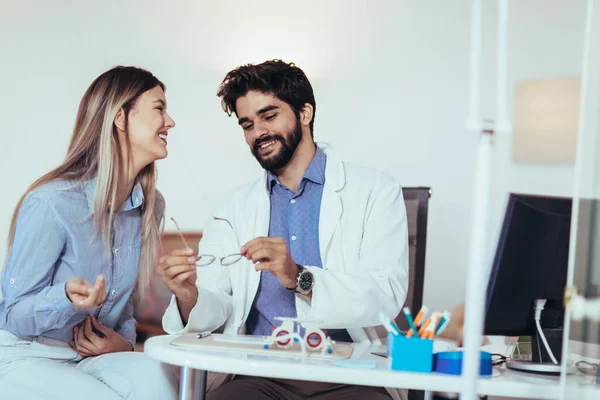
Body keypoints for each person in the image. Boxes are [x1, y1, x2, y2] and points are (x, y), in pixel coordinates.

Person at [159, 60, 409, 400]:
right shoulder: (233, 208)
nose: (258, 132)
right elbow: (218, 304)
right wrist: (189, 294)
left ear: (304, 113)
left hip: (350, 373)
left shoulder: (376, 190)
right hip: (260, 375)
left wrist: (299, 277)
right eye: (247, 124)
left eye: (269, 115)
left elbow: (386, 293)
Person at [0, 66, 178, 400]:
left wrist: (122, 343)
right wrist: (64, 298)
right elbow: (12, 314)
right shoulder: (51, 203)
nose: (170, 122)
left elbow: (124, 308)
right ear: (120, 118)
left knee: (165, 385)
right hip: (27, 352)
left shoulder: (150, 207)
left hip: (89, 357)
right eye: (159, 108)